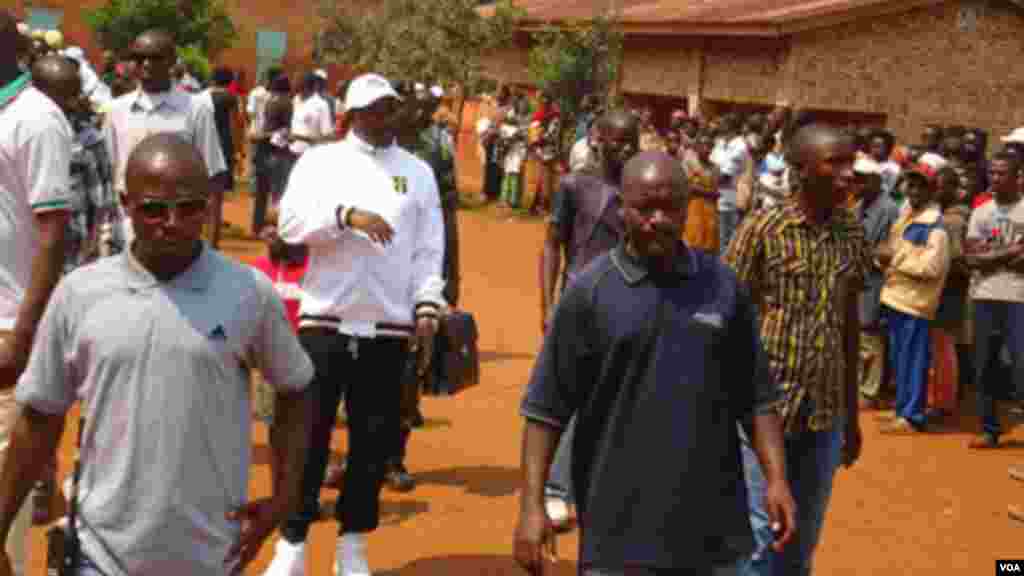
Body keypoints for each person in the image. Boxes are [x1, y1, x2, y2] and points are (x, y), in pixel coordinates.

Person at [0, 134, 313, 576]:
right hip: (99, 553)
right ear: (126, 204)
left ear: (207, 205)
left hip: (208, 555)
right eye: (153, 209)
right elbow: (40, 416)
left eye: (189, 208)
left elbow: (296, 389)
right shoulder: (80, 295)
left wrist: (283, 498)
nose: (172, 222)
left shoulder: (248, 293)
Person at [515, 151, 796, 576]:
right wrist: (531, 506)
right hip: (617, 532)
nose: (658, 219)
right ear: (622, 208)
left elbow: (757, 398)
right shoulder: (590, 293)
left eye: (670, 207)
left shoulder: (722, 287)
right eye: (644, 207)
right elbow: (545, 410)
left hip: (711, 532)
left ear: (687, 208)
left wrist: (776, 479)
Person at [264, 73, 446, 576]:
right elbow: (291, 225)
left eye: (390, 107)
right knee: (310, 436)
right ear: (351, 115)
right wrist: (346, 215)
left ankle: (353, 545)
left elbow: (429, 246)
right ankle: (293, 544)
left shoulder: (416, 172)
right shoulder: (321, 162)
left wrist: (428, 300)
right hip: (325, 318)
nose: (385, 117)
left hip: (388, 326)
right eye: (374, 109)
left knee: (372, 441)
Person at [724, 124, 869, 576]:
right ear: (801, 170)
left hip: (824, 415)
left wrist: (851, 416)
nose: (849, 174)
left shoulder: (851, 231)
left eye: (851, 162)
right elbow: (726, 316)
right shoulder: (763, 228)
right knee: (761, 538)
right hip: (764, 410)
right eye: (835, 163)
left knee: (802, 542)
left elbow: (848, 324)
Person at [538, 109, 638, 529]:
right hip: (580, 303)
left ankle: (595, 484)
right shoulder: (575, 186)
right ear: (597, 139)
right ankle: (557, 489)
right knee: (569, 398)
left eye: (632, 140)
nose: (626, 148)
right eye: (617, 140)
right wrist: (547, 308)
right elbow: (551, 245)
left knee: (618, 396)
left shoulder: (642, 189)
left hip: (629, 305)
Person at [0, 22, 75, 575]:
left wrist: (22, 337)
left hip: (6, 328)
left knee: (4, 498)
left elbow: (53, 234)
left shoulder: (36, 119)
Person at [102, 29, 227, 248]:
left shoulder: (196, 109)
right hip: (127, 228)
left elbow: (213, 177)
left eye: (155, 57)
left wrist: (211, 242)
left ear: (171, 61)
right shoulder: (116, 111)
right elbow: (107, 174)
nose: (147, 64)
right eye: (139, 58)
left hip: (178, 227)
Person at [875, 165, 951, 434]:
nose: (914, 190)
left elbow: (931, 269)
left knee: (913, 359)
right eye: (911, 185)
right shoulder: (907, 216)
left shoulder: (935, 227)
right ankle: (902, 410)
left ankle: (911, 415)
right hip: (897, 296)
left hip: (915, 303)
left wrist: (893, 259)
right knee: (900, 358)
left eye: (920, 186)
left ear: (931, 190)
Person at [965, 151, 1024, 449]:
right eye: (992, 173)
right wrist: (1010, 252)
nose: (995, 178)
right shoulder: (981, 212)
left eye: (1002, 174)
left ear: (1018, 178)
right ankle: (989, 429)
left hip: (1018, 299)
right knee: (984, 365)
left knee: (1020, 366)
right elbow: (972, 258)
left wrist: (991, 257)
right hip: (985, 296)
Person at [851, 157, 900, 410]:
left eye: (861, 179)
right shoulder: (859, 205)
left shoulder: (888, 209)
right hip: (859, 278)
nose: (855, 183)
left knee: (871, 334)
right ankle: (862, 385)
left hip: (876, 279)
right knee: (861, 334)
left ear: (875, 181)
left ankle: (870, 391)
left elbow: (887, 251)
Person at [206, 67, 244, 247]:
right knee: (216, 197)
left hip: (202, 146)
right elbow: (236, 124)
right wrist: (239, 150)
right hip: (223, 148)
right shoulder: (230, 98)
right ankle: (213, 242)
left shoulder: (200, 98)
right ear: (230, 82)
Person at [248, 67, 280, 234]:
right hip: (263, 140)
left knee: (266, 184)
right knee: (264, 183)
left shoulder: (260, 94)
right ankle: (258, 224)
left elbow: (251, 114)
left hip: (265, 140)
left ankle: (261, 223)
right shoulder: (265, 95)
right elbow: (252, 116)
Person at [683, 132, 722, 254]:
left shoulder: (715, 168)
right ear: (697, 147)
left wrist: (711, 194)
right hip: (694, 211)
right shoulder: (689, 164)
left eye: (709, 146)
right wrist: (709, 193)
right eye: (703, 145)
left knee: (709, 247)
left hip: (710, 213)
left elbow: (716, 191)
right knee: (693, 244)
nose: (706, 149)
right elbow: (688, 188)